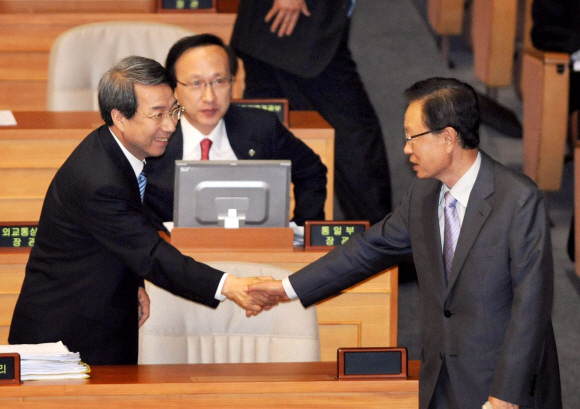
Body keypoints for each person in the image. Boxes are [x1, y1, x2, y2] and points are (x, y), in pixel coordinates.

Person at [248, 78, 562, 409]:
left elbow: (532, 304)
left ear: (448, 138)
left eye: (412, 136)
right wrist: (286, 288)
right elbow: (366, 251)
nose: (406, 148)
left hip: (499, 386)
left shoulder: (518, 199)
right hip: (441, 380)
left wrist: (505, 395)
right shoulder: (423, 194)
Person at [9, 56, 275, 365]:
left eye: (173, 110)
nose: (171, 125)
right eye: (158, 115)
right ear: (120, 117)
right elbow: (150, 253)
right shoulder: (98, 181)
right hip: (63, 340)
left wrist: (134, 282)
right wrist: (231, 285)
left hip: (107, 314)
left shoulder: (117, 150)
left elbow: (124, 232)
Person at [230, 0, 392, 224]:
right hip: (294, 30)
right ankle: (382, 245)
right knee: (356, 137)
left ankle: (262, 236)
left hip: (288, 31)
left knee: (265, 135)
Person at [143, 34, 327, 230]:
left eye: (219, 81)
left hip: (252, 253)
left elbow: (311, 171)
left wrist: (300, 231)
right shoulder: (150, 137)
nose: (209, 97)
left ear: (233, 83)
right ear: (174, 89)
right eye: (196, 83)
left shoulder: (261, 127)